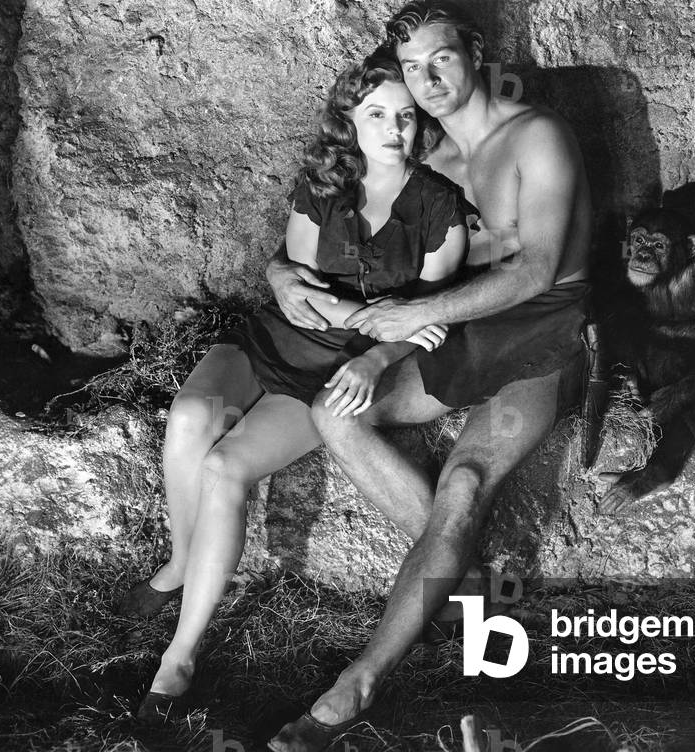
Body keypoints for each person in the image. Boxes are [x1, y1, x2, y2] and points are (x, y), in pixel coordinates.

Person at [265, 2, 594, 750]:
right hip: (462, 333)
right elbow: (351, 245)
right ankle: (474, 600)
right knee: (335, 413)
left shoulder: (535, 135)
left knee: (465, 485)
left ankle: (353, 690)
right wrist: (286, 276)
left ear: (475, 54)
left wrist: (406, 323)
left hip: (544, 334)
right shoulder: (433, 162)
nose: (427, 79)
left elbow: (537, 268)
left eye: (440, 58)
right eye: (412, 67)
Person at [118, 48, 474, 725]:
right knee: (192, 413)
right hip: (269, 341)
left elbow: (434, 318)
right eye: (376, 113)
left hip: (329, 372)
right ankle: (178, 562)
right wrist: (366, 309)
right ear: (351, 117)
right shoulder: (323, 182)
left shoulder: (438, 206)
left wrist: (378, 331)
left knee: (224, 467)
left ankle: (180, 657)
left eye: (405, 115)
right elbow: (295, 290)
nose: (392, 129)